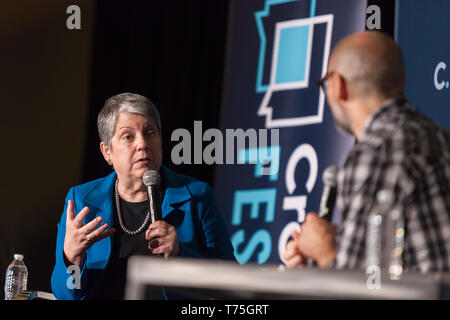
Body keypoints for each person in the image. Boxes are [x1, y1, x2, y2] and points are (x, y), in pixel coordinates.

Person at [284, 31, 450, 273]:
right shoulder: (437, 136)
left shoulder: (377, 151)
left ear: (338, 85)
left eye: (325, 85)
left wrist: (324, 251)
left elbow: (359, 288)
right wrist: (330, 247)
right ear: (402, 81)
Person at [51, 93, 235, 299]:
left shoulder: (197, 196)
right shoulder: (81, 200)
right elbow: (66, 294)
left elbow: (229, 279)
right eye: (128, 136)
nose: (143, 144)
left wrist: (180, 254)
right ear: (107, 152)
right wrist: (71, 259)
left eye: (150, 133)